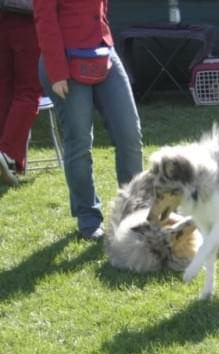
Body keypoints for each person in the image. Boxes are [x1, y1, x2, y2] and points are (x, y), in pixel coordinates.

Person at [33, 0, 143, 240]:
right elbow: (46, 19)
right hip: (65, 59)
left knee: (129, 134)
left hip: (103, 51)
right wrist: (57, 71)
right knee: (80, 142)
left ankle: (134, 214)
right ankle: (88, 218)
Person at [0, 9, 42, 186]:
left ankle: (7, 159)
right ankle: (7, 155)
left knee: (4, 92)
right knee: (29, 92)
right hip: (28, 19)